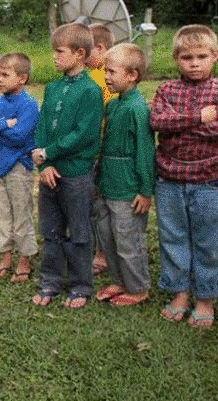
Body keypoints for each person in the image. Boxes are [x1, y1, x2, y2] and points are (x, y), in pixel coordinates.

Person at [150, 25, 218, 328]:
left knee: (208, 241)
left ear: (215, 56)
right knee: (172, 237)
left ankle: (206, 297)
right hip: (169, 180)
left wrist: (178, 124)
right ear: (176, 58)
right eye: (187, 57)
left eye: (202, 56)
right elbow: (158, 121)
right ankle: (179, 293)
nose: (195, 63)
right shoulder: (166, 90)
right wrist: (200, 117)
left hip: (208, 180)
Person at [31, 22, 103, 309]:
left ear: (79, 53)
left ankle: (80, 286)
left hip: (76, 175)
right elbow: (42, 126)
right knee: (51, 230)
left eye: (60, 52)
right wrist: (43, 163)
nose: (55, 57)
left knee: (80, 232)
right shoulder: (52, 87)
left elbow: (84, 134)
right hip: (50, 173)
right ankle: (50, 281)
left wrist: (49, 152)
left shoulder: (90, 91)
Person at [93, 43, 154, 307]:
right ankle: (119, 280)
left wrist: (145, 191)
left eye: (112, 72)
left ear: (132, 75)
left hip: (128, 189)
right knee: (107, 237)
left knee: (128, 241)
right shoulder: (114, 104)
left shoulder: (136, 109)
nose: (106, 77)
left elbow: (145, 152)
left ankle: (138, 287)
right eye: (106, 71)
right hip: (107, 184)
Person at [0, 53, 39, 283]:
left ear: (22, 78)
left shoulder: (29, 105)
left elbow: (20, 136)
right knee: (2, 214)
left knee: (21, 214)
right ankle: (5, 256)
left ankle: (24, 258)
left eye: (5, 75)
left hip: (18, 167)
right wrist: (3, 123)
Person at [86, 22, 117, 277]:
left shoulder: (101, 76)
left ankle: (101, 253)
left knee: (100, 205)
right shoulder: (91, 74)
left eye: (83, 51)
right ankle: (99, 250)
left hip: (101, 151)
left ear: (99, 48)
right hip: (97, 151)